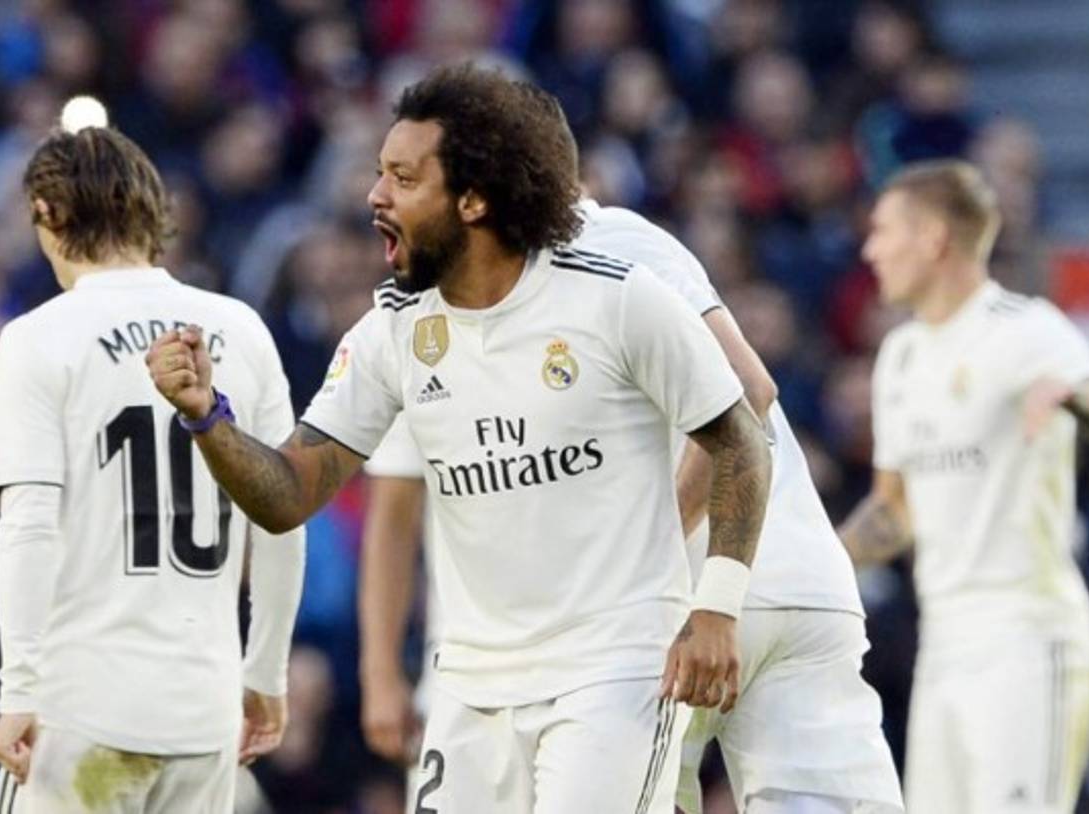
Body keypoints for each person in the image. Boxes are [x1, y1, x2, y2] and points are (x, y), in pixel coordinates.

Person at [146, 64, 771, 813]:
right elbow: (288, 494)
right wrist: (206, 418)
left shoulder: (615, 299)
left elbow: (741, 437)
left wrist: (716, 610)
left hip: (614, 672)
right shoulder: (392, 333)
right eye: (379, 174)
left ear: (473, 199)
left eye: (403, 179)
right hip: (468, 686)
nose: (375, 196)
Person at [359, 197, 905, 814]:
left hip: (658, 608)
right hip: (800, 583)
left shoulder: (555, 266)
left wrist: (652, 546)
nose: (384, 193)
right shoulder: (631, 242)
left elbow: (747, 390)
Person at [0, 124, 305, 813]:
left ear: (47, 215)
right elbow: (284, 516)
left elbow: (30, 524)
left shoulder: (38, 338)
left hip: (82, 715)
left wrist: (20, 690)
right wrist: (266, 672)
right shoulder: (241, 329)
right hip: (203, 712)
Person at [842, 159, 1089, 814]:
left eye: (883, 231)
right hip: (944, 641)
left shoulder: (1022, 327)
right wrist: (812, 567)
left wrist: (1072, 393)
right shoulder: (901, 356)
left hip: (1025, 633)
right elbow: (894, 514)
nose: (871, 250)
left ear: (932, 239)